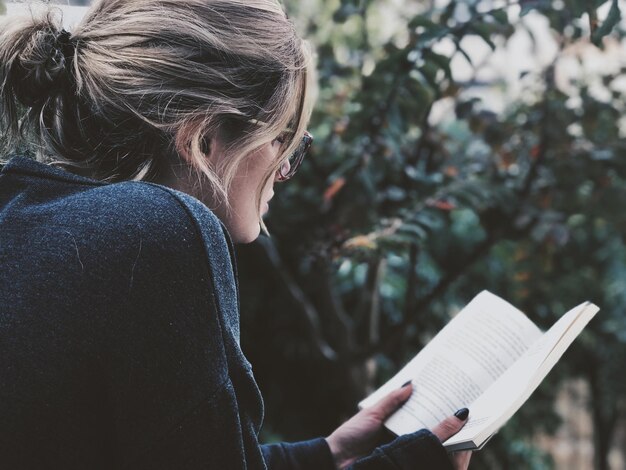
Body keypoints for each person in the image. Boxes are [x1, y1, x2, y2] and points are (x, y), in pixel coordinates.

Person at [0, 1, 472, 468]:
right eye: (281, 136)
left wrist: (327, 453)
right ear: (202, 139)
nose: (285, 167)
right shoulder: (155, 231)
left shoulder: (24, 211)